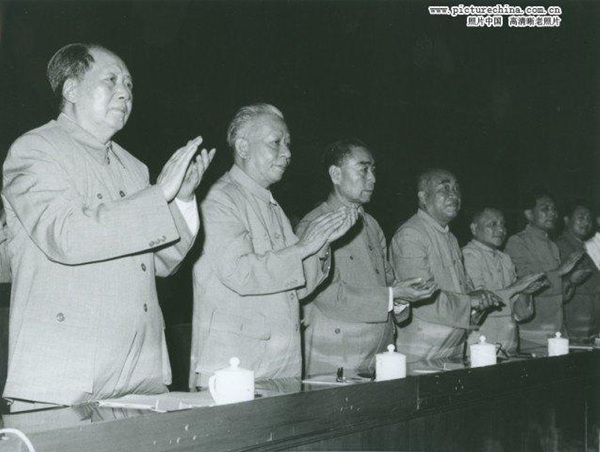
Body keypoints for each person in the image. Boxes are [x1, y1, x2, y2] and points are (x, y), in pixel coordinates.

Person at [1, 43, 215, 409]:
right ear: (71, 89)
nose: (125, 92)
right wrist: (159, 195)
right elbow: (66, 236)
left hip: (138, 374)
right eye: (111, 80)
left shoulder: (134, 167)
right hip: (64, 376)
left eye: (129, 84)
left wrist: (181, 199)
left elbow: (161, 263)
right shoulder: (36, 149)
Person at [190, 104, 357, 388]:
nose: (287, 153)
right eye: (276, 143)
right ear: (243, 147)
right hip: (235, 368)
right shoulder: (220, 199)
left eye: (288, 144)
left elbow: (297, 288)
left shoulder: (271, 204)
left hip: (280, 364)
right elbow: (241, 273)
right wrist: (303, 247)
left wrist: (322, 244)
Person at [297, 139, 437, 376]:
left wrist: (402, 298)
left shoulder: (370, 224)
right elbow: (328, 296)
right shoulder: (315, 225)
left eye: (373, 170)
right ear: (336, 174)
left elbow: (387, 280)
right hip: (336, 358)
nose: (372, 178)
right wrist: (393, 295)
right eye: (363, 170)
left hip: (379, 353)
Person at [389, 169, 502, 363]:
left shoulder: (451, 238)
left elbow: (460, 290)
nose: (454, 194)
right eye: (445, 188)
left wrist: (478, 298)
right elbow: (422, 299)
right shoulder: (411, 234)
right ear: (423, 197)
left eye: (456, 188)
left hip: (452, 348)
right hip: (421, 351)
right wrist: (470, 301)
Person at [505, 190, 586, 354]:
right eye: (545, 209)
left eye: (554, 209)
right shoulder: (517, 241)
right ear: (529, 214)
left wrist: (571, 282)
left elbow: (559, 296)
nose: (552, 213)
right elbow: (526, 285)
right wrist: (560, 272)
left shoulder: (552, 245)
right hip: (532, 335)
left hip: (557, 331)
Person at [462, 208, 547, 355]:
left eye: (503, 224)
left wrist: (525, 293)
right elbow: (479, 303)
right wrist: (516, 287)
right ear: (474, 228)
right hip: (480, 348)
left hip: (509, 346)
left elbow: (520, 315)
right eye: (493, 224)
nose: (501, 229)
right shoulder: (467, 256)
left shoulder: (505, 259)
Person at [556, 203, 599, 341]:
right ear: (567, 220)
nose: (586, 222)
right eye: (581, 217)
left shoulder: (582, 247)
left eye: (589, 218)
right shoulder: (560, 246)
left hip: (587, 324)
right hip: (574, 325)